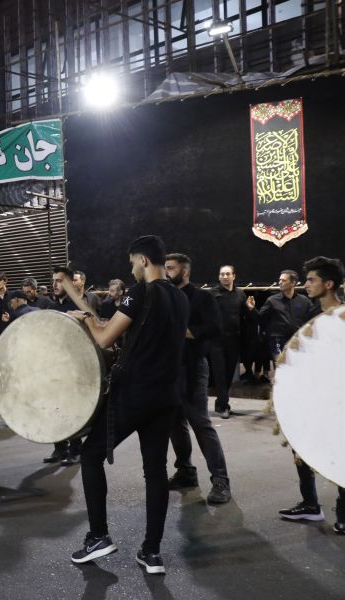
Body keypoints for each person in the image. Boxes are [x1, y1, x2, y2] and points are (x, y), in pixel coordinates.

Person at [65, 235, 188, 576]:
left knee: (90, 455)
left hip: (135, 393)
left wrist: (84, 320)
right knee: (155, 471)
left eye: (132, 262)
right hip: (166, 396)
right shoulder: (180, 297)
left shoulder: (140, 292)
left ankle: (98, 536)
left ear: (144, 260)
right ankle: (152, 552)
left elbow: (104, 338)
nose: (131, 268)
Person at [278, 256, 345, 534]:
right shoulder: (314, 314)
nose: (306, 284)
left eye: (311, 280)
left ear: (328, 284)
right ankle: (310, 504)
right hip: (314, 397)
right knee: (301, 447)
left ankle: (343, 512)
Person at [164, 254, 232, 504]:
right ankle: (186, 472)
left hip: (192, 367)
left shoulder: (203, 297)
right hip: (169, 370)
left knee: (200, 423)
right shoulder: (165, 297)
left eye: (171, 268)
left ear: (185, 271)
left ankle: (220, 480)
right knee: (175, 424)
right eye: (165, 268)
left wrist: (186, 332)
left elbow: (215, 327)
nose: (166, 272)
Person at [44, 267, 83, 465]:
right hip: (53, 365)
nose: (55, 284)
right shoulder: (51, 307)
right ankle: (59, 448)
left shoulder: (79, 305)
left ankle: (76, 449)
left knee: (71, 409)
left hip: (73, 366)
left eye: (59, 281)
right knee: (53, 408)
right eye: (54, 280)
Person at [209, 265, 255, 418]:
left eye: (228, 274)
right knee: (220, 374)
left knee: (229, 374)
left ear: (233, 276)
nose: (224, 276)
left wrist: (250, 309)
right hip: (216, 341)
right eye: (222, 274)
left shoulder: (240, 294)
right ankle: (223, 406)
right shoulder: (212, 293)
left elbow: (246, 316)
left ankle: (221, 404)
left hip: (234, 340)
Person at [258, 270, 312, 366]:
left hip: (297, 339)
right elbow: (260, 317)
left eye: (283, 280)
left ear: (293, 283)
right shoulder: (272, 300)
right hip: (277, 339)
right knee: (281, 365)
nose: (280, 282)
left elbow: (311, 319)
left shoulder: (304, 301)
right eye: (280, 280)